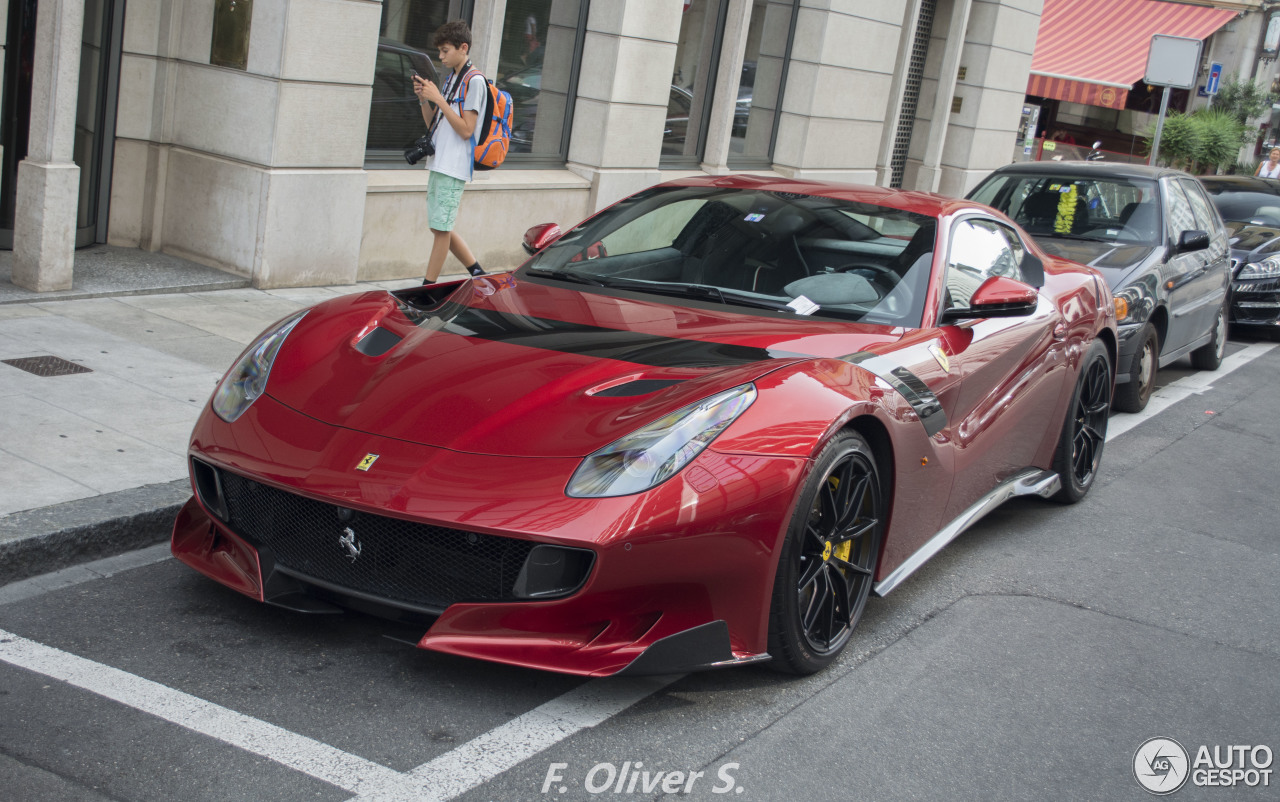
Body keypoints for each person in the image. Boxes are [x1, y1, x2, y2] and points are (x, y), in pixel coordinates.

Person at [413, 20, 486, 284]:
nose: (441, 57)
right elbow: (434, 123)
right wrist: (425, 98)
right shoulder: (452, 79)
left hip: (453, 165)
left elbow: (467, 130)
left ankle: (427, 288)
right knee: (439, 225)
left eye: (445, 51)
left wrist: (440, 99)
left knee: (441, 229)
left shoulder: (474, 81)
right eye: (440, 52)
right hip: (439, 161)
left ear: (462, 47)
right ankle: (477, 272)